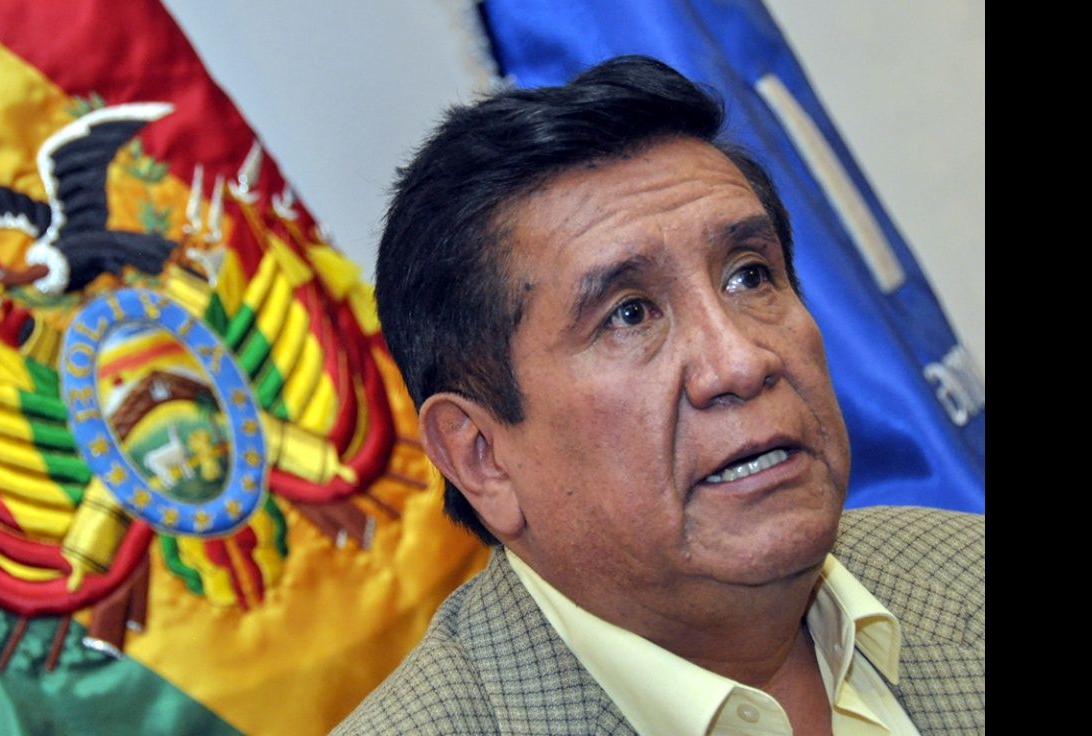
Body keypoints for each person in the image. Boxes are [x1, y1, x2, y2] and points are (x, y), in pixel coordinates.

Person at [335, 55, 983, 735]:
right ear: (482, 458)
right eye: (629, 315)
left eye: (749, 276)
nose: (741, 362)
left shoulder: (968, 572)